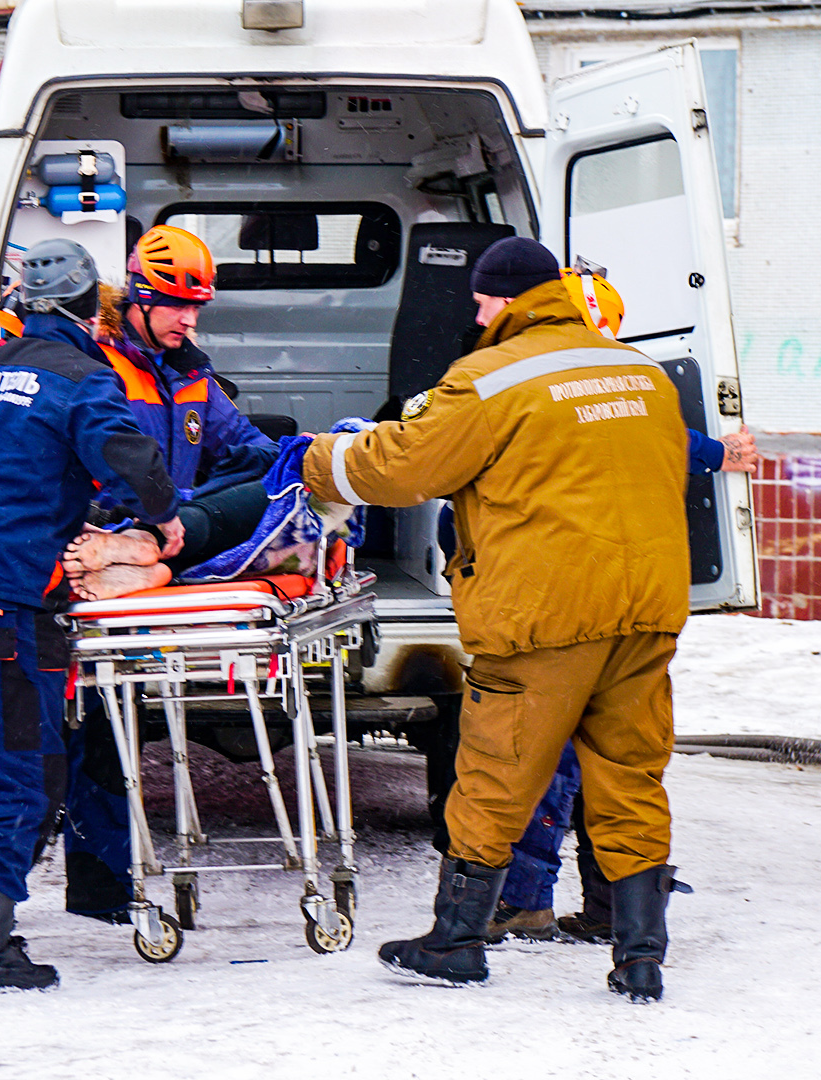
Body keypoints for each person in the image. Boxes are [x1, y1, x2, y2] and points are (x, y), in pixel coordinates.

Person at [302, 236, 691, 1000]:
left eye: (480, 299)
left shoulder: (488, 379)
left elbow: (405, 470)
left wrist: (317, 457)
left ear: (506, 299)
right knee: (631, 778)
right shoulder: (642, 373)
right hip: (645, 609)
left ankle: (456, 939)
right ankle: (641, 954)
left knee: (493, 776)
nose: (474, 313)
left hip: (543, 614)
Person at [0, 238, 183, 993]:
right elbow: (135, 466)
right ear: (91, 309)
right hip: (5, 601)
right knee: (16, 776)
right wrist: (163, 513)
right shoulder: (81, 378)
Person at [486, 271, 759, 946]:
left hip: (565, 606)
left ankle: (526, 901)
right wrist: (719, 452)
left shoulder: (539, 381)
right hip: (635, 607)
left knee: (547, 760)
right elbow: (657, 439)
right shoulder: (617, 382)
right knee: (614, 763)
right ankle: (620, 914)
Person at [60, 226, 278, 598]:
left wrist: (288, 456)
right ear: (141, 298)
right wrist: (160, 510)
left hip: (180, 522)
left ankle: (151, 560)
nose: (190, 321)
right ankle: (140, 547)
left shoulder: (192, 376)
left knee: (283, 479)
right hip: (113, 520)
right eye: (178, 305)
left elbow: (248, 444)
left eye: (195, 307)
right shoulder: (97, 366)